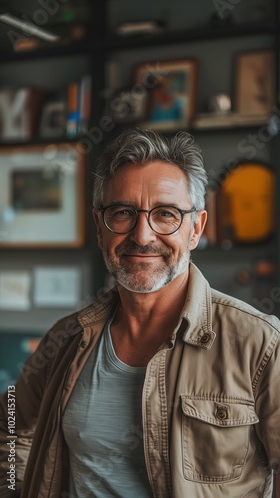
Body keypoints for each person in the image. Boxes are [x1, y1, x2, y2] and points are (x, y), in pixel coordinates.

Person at [0, 129, 279, 498]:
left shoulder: (261, 344)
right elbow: (11, 420)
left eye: (166, 214)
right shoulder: (65, 339)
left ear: (195, 229)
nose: (143, 235)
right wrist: (15, 488)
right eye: (123, 213)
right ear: (100, 227)